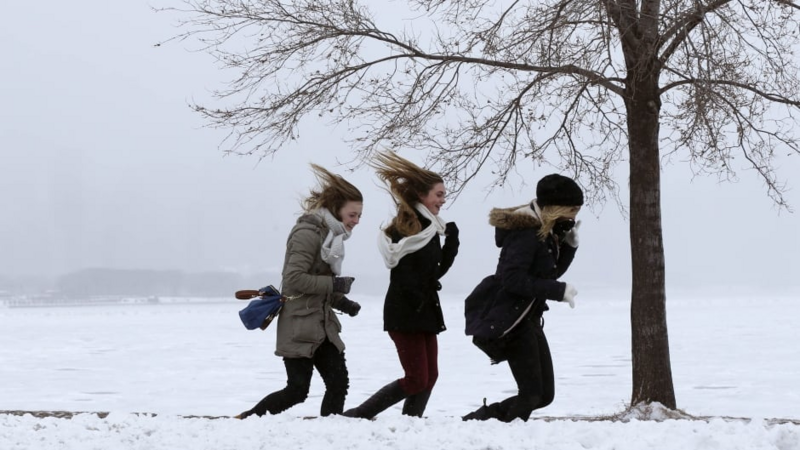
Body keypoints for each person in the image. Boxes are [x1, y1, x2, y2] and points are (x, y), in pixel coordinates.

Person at [235, 164, 364, 419]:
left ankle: (330, 432)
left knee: (338, 384)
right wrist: (334, 285)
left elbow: (320, 281)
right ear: (336, 209)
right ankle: (247, 420)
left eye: (360, 216)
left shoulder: (332, 238)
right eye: (352, 215)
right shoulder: (307, 233)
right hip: (299, 325)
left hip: (323, 325)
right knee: (297, 390)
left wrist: (343, 302)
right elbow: (294, 279)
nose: (356, 221)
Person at [342, 151, 459, 419]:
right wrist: (417, 296)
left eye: (443, 195)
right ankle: (359, 415)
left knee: (430, 376)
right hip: (404, 311)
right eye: (438, 194)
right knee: (417, 377)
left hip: (425, 310)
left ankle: (410, 423)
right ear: (422, 195)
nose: (443, 200)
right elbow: (406, 275)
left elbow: (434, 273)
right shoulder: (404, 229)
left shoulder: (431, 229)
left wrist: (452, 244)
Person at [462, 173, 583, 422]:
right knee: (531, 395)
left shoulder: (545, 232)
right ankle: (483, 424)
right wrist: (558, 291)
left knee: (544, 395)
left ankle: (483, 419)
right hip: (512, 320)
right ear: (555, 207)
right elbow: (512, 279)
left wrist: (568, 247)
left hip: (529, 318)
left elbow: (549, 273)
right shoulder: (526, 233)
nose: (574, 217)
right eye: (572, 210)